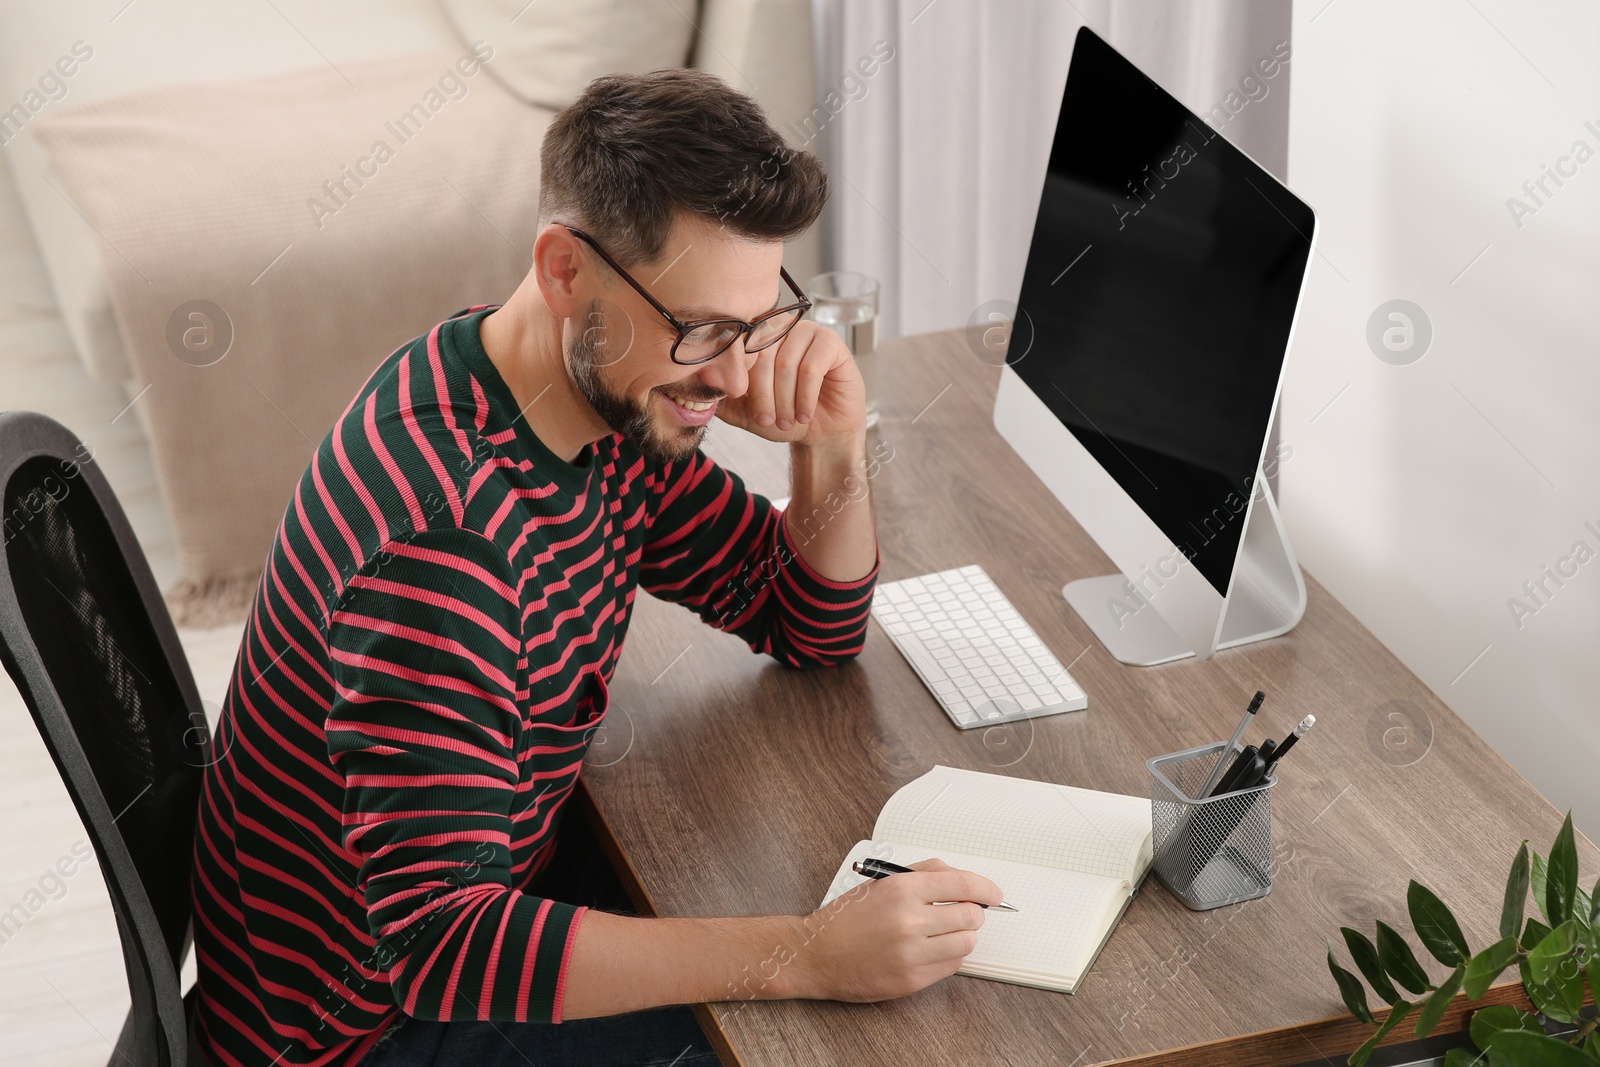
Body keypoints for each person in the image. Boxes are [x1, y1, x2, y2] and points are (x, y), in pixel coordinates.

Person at [188, 68, 1002, 1067]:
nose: (737, 377)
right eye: (700, 328)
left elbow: (808, 625)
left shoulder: (582, 400)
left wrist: (829, 443)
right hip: (363, 1034)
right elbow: (441, 948)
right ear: (565, 268)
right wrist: (804, 955)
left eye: (754, 326)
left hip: (496, 893)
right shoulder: (443, 546)